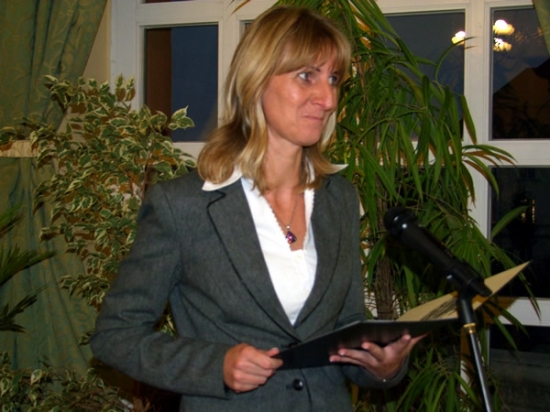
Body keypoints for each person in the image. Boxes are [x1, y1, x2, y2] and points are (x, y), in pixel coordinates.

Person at [90, 5, 421, 411]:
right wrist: (215, 365)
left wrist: (382, 365)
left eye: (334, 79)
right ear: (256, 80)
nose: (328, 98)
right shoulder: (183, 205)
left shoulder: (339, 198)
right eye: (307, 76)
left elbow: (344, 329)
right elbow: (115, 335)